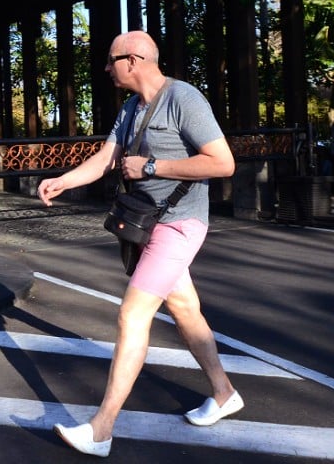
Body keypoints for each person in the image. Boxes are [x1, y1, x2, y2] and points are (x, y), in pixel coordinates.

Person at [38, 31, 240, 458]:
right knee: (185, 309)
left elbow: (223, 163)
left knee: (132, 315)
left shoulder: (184, 99)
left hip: (179, 224)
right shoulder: (131, 108)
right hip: (148, 224)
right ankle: (224, 393)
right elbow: (106, 159)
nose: (106, 68)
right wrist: (63, 181)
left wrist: (151, 166)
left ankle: (101, 430)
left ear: (133, 60)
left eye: (111, 60)